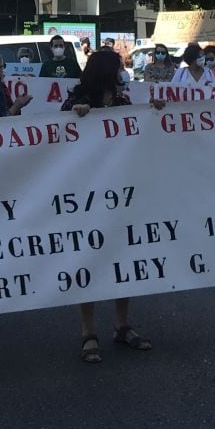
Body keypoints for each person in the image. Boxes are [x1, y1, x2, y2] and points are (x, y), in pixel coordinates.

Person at [61, 49, 152, 364]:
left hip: (122, 192)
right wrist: (77, 119)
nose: (124, 72)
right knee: (88, 259)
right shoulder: (74, 104)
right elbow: (57, 144)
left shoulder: (125, 103)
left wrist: (155, 114)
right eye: (119, 67)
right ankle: (88, 332)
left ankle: (122, 324)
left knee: (123, 258)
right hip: (87, 195)